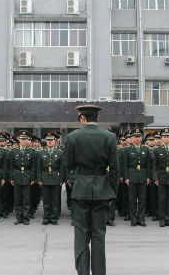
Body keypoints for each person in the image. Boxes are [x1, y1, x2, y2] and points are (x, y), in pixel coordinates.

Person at [66, 105, 119, 275]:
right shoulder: (109, 137)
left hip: (81, 190)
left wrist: (76, 182)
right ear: (97, 118)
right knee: (98, 235)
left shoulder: (73, 137)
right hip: (102, 191)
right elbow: (115, 170)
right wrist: (113, 192)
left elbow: (68, 165)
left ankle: (82, 272)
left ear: (82, 118)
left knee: (81, 234)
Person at [123, 128, 152, 227]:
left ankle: (141, 219)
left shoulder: (146, 149)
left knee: (142, 199)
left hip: (143, 176)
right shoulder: (127, 150)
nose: (137, 139)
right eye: (135, 137)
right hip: (132, 176)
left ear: (141, 138)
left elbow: (148, 165)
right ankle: (133, 219)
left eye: (139, 137)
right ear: (132, 138)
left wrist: (148, 177)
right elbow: (125, 165)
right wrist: (126, 177)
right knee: (132, 199)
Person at [9, 130, 37, 225]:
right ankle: (19, 217)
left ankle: (26, 217)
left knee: (26, 198)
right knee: (17, 199)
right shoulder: (14, 151)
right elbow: (11, 166)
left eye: (25, 139)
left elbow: (33, 167)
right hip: (17, 176)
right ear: (18, 139)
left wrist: (32, 178)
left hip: (27, 176)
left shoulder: (32, 151)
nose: (23, 140)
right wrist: (11, 178)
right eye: (21, 139)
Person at [37, 131, 65, 225]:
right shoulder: (41, 153)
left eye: (51, 140)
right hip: (45, 178)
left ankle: (53, 217)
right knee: (46, 200)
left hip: (55, 179)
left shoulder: (60, 153)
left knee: (55, 200)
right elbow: (38, 168)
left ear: (55, 141)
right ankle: (46, 217)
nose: (49, 141)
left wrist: (61, 180)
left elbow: (62, 168)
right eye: (48, 140)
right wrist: (39, 179)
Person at [152, 128, 169, 227]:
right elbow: (155, 166)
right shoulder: (157, 150)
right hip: (161, 177)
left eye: (168, 137)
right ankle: (162, 219)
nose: (166, 139)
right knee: (162, 199)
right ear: (162, 138)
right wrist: (156, 178)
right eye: (164, 137)